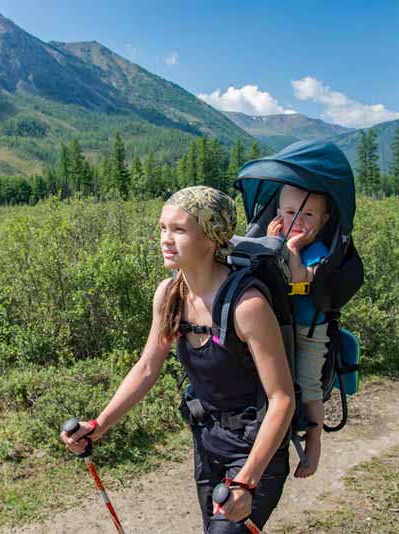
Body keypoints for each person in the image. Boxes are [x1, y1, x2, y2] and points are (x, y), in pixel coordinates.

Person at [61, 186, 295, 533]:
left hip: (254, 451)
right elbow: (146, 368)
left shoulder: (248, 308)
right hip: (208, 443)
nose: (165, 239)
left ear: (212, 237)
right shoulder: (169, 294)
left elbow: (282, 399)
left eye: (180, 229)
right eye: (162, 228)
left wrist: (246, 482)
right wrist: (99, 426)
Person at [266, 184, 330, 479]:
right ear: (279, 215)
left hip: (309, 330)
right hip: (277, 329)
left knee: (308, 385)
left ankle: (314, 444)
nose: (298, 221)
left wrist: (291, 248)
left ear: (323, 221)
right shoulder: (274, 242)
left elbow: (298, 279)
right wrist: (270, 243)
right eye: (291, 213)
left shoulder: (317, 251)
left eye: (308, 214)